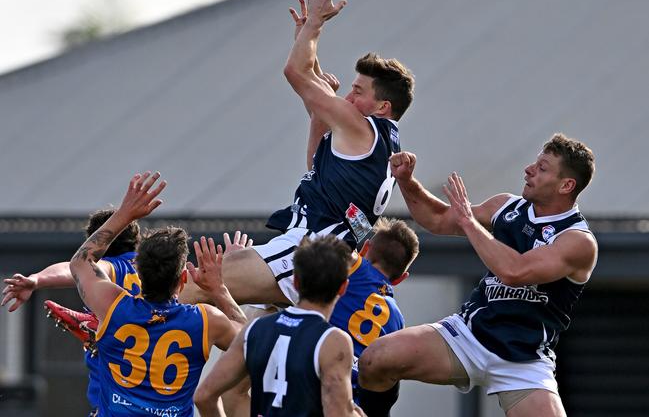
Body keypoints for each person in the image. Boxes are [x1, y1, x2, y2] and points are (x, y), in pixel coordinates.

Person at [358, 133, 598, 416]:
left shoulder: (578, 241)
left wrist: (470, 224)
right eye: (535, 163)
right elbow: (437, 219)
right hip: (469, 336)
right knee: (375, 360)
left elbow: (514, 271)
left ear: (566, 185)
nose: (529, 169)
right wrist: (407, 181)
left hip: (524, 361)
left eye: (542, 168)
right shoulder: (506, 207)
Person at [220, 0, 415, 307]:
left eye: (358, 91)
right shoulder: (375, 138)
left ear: (383, 106)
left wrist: (314, 24)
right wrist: (306, 44)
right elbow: (316, 166)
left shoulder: (361, 125)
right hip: (322, 258)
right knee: (253, 345)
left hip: (307, 246)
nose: (348, 96)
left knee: (194, 284)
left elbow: (295, 73)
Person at [69, 171, 245, 416]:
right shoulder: (206, 320)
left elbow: (80, 262)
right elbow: (252, 341)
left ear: (137, 273)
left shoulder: (112, 306)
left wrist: (125, 214)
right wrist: (219, 289)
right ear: (183, 279)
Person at [194, 235, 367, 417]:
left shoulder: (254, 329)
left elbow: (204, 396)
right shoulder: (333, 340)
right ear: (343, 287)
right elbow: (337, 413)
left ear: (295, 282)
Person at [2, 209, 142, 416]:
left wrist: (37, 279)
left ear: (94, 243)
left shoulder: (110, 268)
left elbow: (72, 269)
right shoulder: (159, 272)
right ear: (137, 241)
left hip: (114, 405)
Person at [329, 217, 419, 417]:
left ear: (365, 247)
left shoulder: (352, 268)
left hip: (320, 387)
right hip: (354, 405)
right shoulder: (398, 321)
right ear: (401, 278)